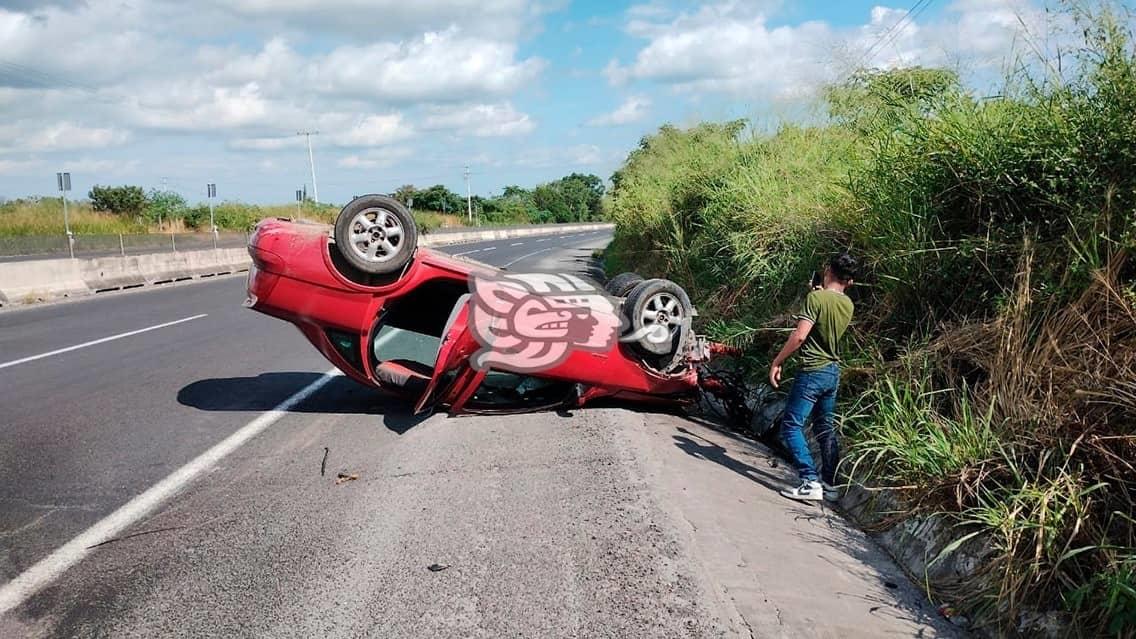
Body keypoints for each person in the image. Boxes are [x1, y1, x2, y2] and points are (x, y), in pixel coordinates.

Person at [768, 253, 857, 502]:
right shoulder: (848, 304)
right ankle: (829, 483)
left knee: (791, 425)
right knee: (824, 428)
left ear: (827, 270)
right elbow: (830, 310)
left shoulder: (815, 298)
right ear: (849, 281)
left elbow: (799, 336)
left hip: (812, 370)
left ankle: (809, 480)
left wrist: (778, 361)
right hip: (832, 372)